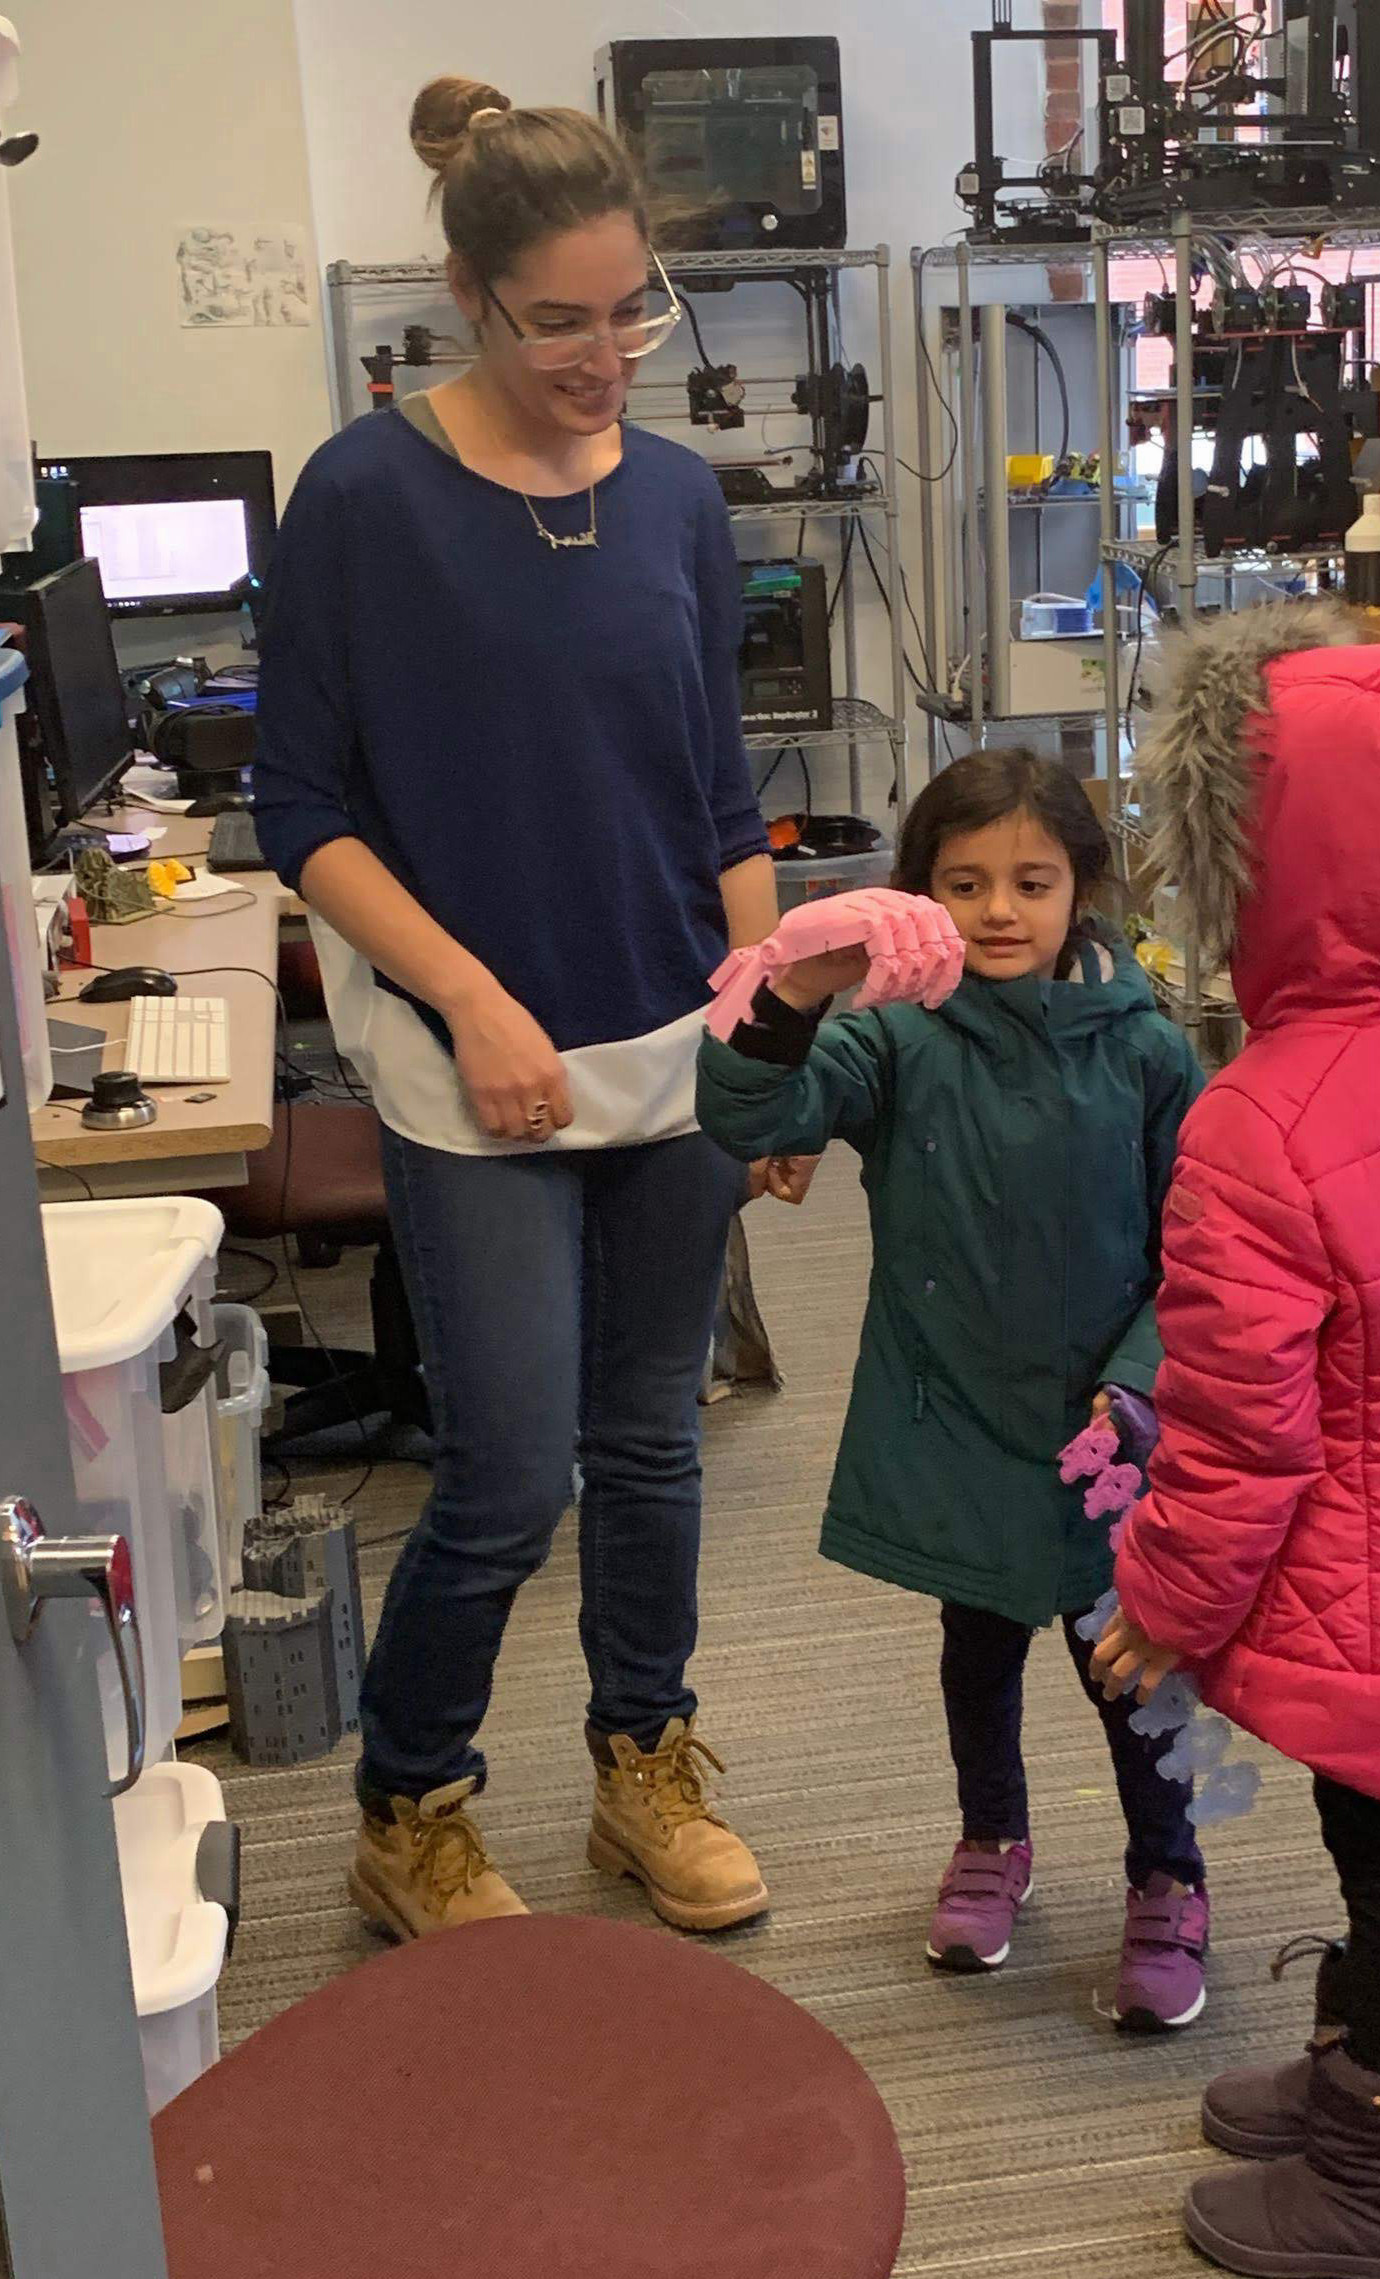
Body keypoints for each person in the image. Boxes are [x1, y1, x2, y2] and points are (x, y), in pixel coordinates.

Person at [255, 76, 789, 1942]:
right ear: (469, 298)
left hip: (674, 1044)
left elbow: (721, 793)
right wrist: (472, 996)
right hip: (467, 1053)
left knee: (651, 1445)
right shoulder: (367, 496)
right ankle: (412, 1799)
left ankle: (645, 1757)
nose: (603, 353)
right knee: (505, 1468)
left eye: (630, 309)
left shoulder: (674, 498)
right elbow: (300, 810)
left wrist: (774, 1039)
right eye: (558, 319)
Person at [1090, 603, 1380, 2276]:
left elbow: (1238, 1436)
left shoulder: (1262, 1119)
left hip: (1372, 1572)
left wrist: (1159, 1594)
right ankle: (1363, 2071)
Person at [696, 749, 1216, 2031]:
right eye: (964, 881)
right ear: (918, 890)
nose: (997, 910)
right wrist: (799, 984)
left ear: (1082, 889)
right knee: (976, 1650)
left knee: (1131, 1663)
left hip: (1108, 1426)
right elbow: (754, 1110)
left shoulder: (1146, 1049)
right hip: (963, 1417)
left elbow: (1202, 1250)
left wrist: (1143, 1386)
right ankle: (994, 1839)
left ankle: (1170, 1873)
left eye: (1030, 882)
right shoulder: (895, 1036)